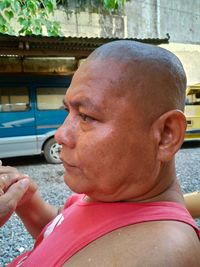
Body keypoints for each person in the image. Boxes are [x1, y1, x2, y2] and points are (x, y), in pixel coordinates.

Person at [0, 40, 200, 266]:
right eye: (69, 111)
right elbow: (64, 231)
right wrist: (28, 201)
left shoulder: (161, 250)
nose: (60, 134)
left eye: (86, 116)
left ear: (166, 135)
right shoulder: (110, 193)